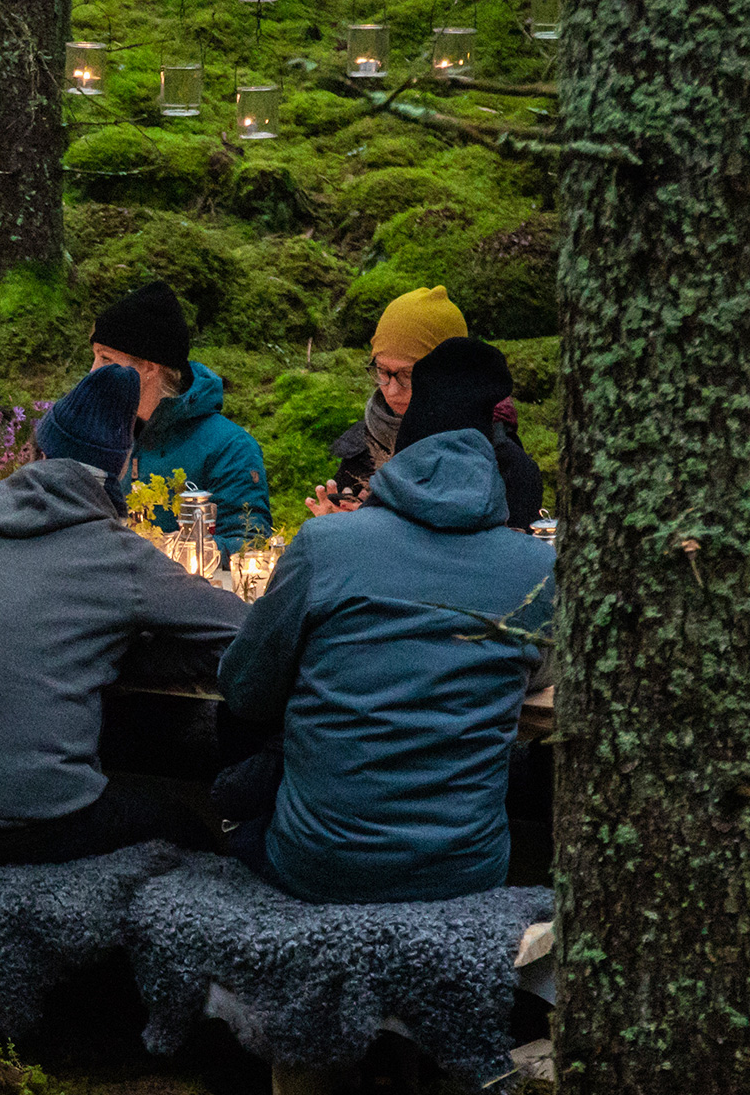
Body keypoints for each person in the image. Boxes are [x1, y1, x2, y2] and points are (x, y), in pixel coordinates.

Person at [216, 343, 558, 905]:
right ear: (493, 470)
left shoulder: (326, 544)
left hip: (317, 867)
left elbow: (245, 691)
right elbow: (544, 668)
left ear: (397, 458)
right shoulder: (537, 567)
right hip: (462, 875)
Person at [0, 453, 246, 864]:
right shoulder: (110, 546)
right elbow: (242, 626)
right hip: (36, 826)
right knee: (186, 819)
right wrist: (140, 654)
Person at [32, 282, 270, 556]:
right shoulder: (96, 439)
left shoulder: (230, 448)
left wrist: (163, 552)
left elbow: (251, 545)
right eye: (95, 357)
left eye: (105, 358)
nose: (92, 371)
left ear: (149, 367)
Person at [315, 328, 549, 533]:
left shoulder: (503, 462)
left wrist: (372, 525)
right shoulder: (360, 445)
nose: (392, 390)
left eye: (407, 375)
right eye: (383, 372)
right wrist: (337, 530)